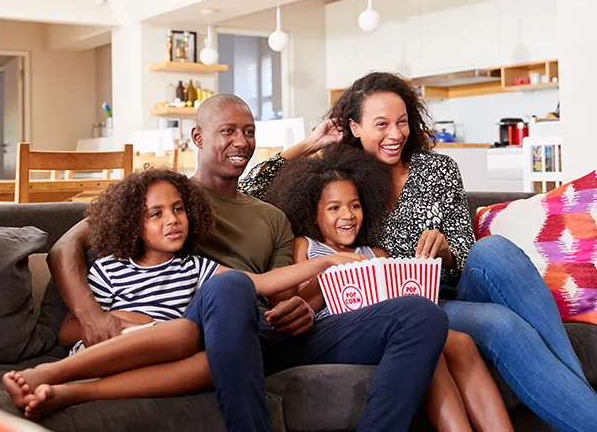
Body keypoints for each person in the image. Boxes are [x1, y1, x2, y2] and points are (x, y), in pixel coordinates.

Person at [46, 93, 449, 432]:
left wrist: (300, 307)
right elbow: (64, 249)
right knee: (231, 285)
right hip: (201, 329)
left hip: (268, 333)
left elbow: (282, 291)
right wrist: (94, 316)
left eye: (249, 132)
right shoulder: (164, 197)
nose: (241, 141)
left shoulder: (270, 215)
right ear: (198, 137)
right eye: (228, 131)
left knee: (421, 316)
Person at [241, 72, 597, 432]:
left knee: (494, 250)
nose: (395, 134)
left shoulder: (438, 169)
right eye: (381, 124)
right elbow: (248, 188)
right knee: (500, 324)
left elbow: (464, 246)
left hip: (453, 287)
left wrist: (445, 251)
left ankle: (578, 393)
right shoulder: (343, 182)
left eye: (402, 122)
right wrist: (309, 143)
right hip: (412, 306)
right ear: (355, 126)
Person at [3, 167, 393, 418]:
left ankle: (70, 395)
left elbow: (257, 284)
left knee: (216, 361)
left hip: (169, 361)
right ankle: (50, 373)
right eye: (156, 214)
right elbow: (70, 331)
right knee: (183, 332)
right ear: (132, 224)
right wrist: (136, 324)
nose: (172, 221)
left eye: (178, 210)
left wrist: (324, 264)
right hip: (112, 353)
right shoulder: (110, 267)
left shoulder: (194, 267)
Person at [266, 145, 513, 432]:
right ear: (312, 212)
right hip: (338, 330)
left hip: (387, 326)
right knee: (428, 343)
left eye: (355, 205)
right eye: (334, 208)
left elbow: (400, 297)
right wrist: (332, 270)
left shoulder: (376, 254)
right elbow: (301, 304)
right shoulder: (305, 247)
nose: (347, 215)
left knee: (459, 342)